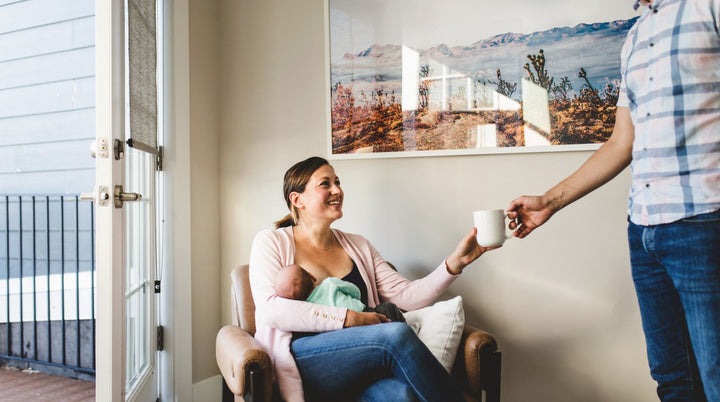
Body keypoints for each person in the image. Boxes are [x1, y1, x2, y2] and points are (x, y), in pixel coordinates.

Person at [507, 1, 720, 400]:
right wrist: (549, 202)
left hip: (704, 224)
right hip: (644, 233)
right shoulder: (636, 36)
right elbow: (623, 142)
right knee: (674, 380)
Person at [249, 156, 499, 402]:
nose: (337, 190)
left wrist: (454, 263)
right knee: (394, 336)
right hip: (304, 357)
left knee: (402, 396)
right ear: (297, 199)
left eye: (338, 181)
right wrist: (349, 318)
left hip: (360, 360)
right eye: (325, 184)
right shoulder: (271, 242)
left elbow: (408, 297)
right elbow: (272, 310)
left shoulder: (358, 245)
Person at [275, 264, 405, 322]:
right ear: (312, 276)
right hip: (363, 312)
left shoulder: (308, 310)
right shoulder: (329, 283)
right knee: (389, 308)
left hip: (343, 330)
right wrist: (354, 300)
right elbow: (354, 290)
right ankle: (406, 329)